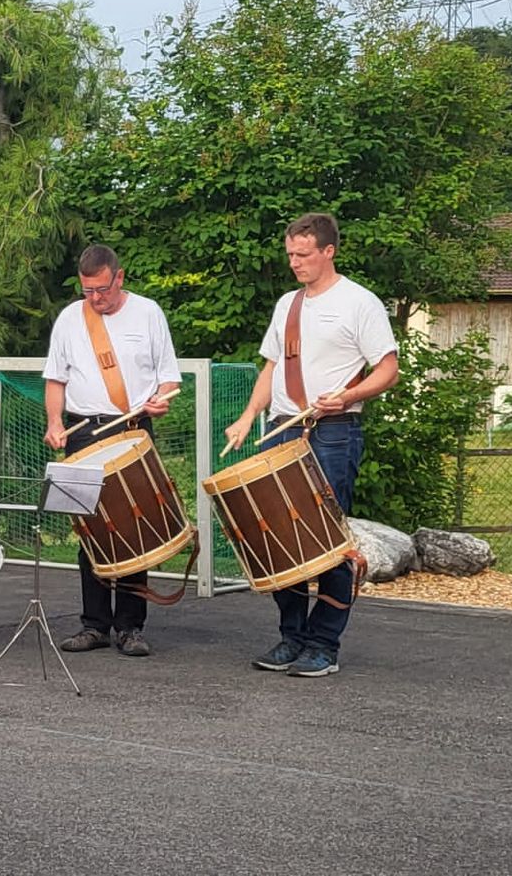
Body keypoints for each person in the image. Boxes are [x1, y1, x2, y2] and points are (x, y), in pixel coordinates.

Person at [224, 213, 398, 678]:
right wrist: (245, 418)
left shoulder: (360, 302)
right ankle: (292, 637)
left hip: (335, 430)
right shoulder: (287, 305)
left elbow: (387, 369)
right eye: (290, 255)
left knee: (327, 539)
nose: (295, 263)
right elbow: (270, 368)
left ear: (328, 251)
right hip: (283, 426)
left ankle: (324, 643)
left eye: (303, 255)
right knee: (281, 536)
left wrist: (349, 395)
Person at [41, 244, 181, 657]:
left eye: (102, 289)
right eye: (87, 291)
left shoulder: (149, 312)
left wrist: (162, 398)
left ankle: (130, 626)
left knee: (135, 525)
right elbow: (55, 379)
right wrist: (54, 422)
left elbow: (169, 379)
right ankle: (95, 624)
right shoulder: (71, 318)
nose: (95, 298)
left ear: (119, 278)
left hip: (134, 429)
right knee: (90, 529)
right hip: (85, 431)